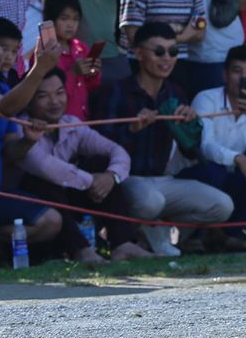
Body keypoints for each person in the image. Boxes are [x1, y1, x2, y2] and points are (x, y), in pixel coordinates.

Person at [90, 22, 232, 256]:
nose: (167, 58)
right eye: (158, 51)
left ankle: (162, 236)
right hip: (125, 180)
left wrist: (189, 128)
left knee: (222, 206)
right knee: (150, 202)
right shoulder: (115, 92)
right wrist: (132, 129)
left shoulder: (176, 92)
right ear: (138, 53)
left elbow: (191, 153)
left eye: (173, 51)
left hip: (162, 180)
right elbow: (97, 151)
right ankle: (140, 235)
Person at [14, 69, 156, 262]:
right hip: (29, 204)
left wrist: (110, 176)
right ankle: (80, 250)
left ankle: (123, 244)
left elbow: (115, 150)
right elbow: (46, 167)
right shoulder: (19, 127)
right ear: (28, 101)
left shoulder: (70, 123)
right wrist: (92, 181)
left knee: (102, 163)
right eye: (43, 96)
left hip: (67, 197)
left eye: (60, 93)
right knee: (43, 183)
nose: (54, 101)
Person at [182, 44, 246, 250]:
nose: (243, 77)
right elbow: (205, 147)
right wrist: (238, 158)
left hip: (229, 175)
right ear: (225, 75)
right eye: (237, 71)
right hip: (196, 172)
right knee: (214, 172)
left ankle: (230, 233)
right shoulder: (207, 98)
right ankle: (195, 235)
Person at [0, 27, 63, 258]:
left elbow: (11, 152)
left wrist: (28, 141)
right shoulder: (5, 98)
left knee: (51, 221)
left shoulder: (3, 89)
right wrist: (40, 69)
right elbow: (5, 107)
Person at [40, 0, 101, 120]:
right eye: (64, 18)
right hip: (58, 123)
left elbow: (91, 86)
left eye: (75, 19)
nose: (71, 24)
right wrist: (73, 73)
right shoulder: (44, 53)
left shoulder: (81, 48)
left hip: (82, 120)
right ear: (50, 20)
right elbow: (49, 96)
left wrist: (93, 72)